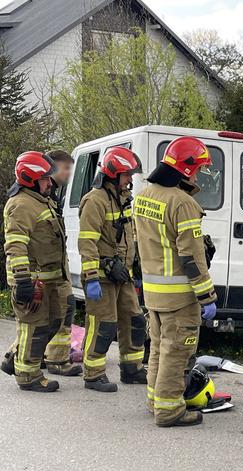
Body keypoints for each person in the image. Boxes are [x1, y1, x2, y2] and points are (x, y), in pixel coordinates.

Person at [134, 136, 217, 427]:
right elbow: (191, 258)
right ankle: (169, 411)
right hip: (180, 296)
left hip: (153, 294)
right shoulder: (183, 203)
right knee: (177, 352)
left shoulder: (144, 196)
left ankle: (156, 402)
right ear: (186, 168)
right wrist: (207, 297)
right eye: (198, 168)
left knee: (158, 349)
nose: (199, 175)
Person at [79, 147, 146, 392]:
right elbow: (87, 241)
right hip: (101, 276)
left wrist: (136, 261)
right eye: (127, 174)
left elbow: (130, 233)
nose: (130, 179)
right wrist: (92, 276)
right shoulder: (95, 200)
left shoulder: (124, 198)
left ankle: (132, 369)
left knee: (135, 320)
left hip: (123, 275)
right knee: (103, 325)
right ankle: (93, 374)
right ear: (112, 174)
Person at [2, 152, 67, 392]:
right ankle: (28, 376)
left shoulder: (40, 199)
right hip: (31, 279)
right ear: (30, 179)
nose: (50, 183)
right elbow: (16, 244)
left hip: (49, 277)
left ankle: (14, 358)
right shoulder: (21, 205)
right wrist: (22, 279)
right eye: (45, 179)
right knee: (34, 326)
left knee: (52, 322)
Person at [43, 150, 81, 376]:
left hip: (56, 265)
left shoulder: (52, 193)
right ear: (53, 167)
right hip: (47, 267)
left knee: (55, 314)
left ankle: (24, 357)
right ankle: (55, 360)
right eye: (66, 168)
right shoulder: (44, 194)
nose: (69, 174)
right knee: (53, 314)